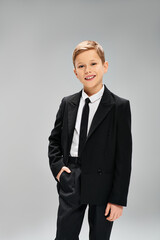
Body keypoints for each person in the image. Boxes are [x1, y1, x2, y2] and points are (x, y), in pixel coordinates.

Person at [48, 40, 132, 240]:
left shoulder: (119, 107)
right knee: (64, 236)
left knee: (100, 237)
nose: (88, 70)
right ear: (75, 72)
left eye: (93, 64)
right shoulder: (68, 103)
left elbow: (124, 156)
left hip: (104, 183)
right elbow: (54, 141)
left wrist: (118, 199)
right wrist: (59, 169)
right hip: (72, 178)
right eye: (81, 66)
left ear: (105, 66)